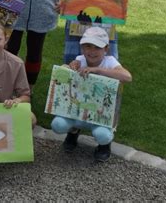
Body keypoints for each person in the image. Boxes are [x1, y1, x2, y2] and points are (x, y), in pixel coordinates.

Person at [51, 27, 132, 162]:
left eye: (97, 47)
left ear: (106, 49)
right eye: (88, 46)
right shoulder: (79, 59)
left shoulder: (110, 61)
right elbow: (62, 78)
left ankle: (104, 145)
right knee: (57, 125)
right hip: (78, 111)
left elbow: (127, 77)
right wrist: (68, 67)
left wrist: (98, 70)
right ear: (82, 47)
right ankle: (73, 131)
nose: (92, 51)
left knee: (103, 135)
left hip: (100, 114)